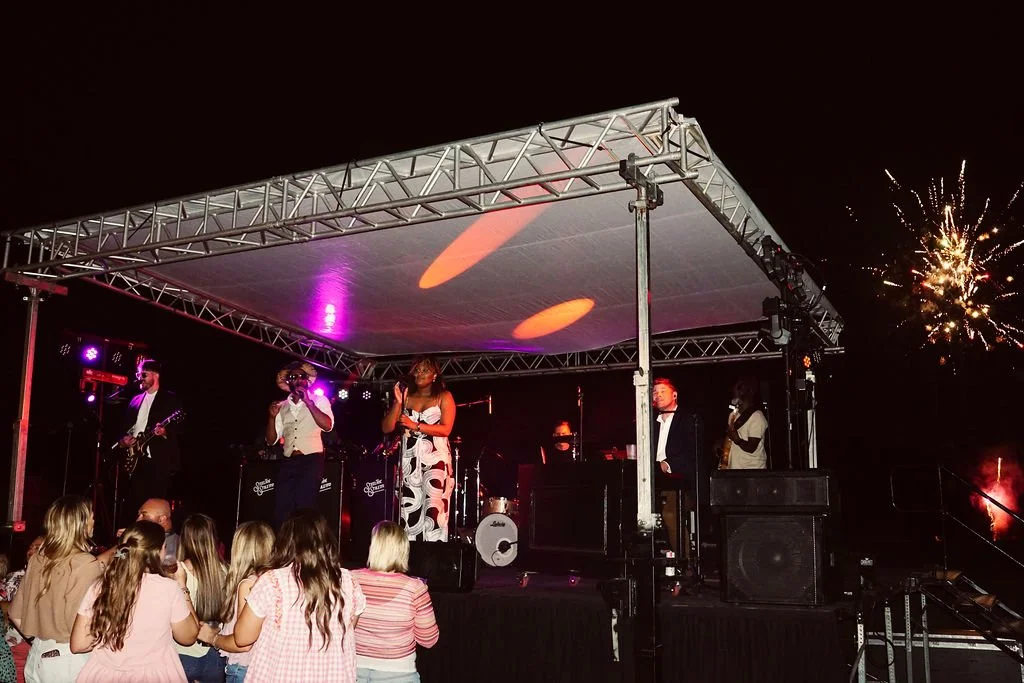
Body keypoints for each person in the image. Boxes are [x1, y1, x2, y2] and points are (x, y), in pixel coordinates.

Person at [232, 509, 366, 683]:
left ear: (287, 542)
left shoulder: (272, 582)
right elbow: (348, 628)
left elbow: (242, 638)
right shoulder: (349, 582)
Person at [69, 520, 200, 682]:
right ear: (157, 551)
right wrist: (182, 585)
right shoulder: (168, 588)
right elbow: (187, 637)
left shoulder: (100, 587)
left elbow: (78, 644)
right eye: (164, 546)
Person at [9, 496, 103, 682]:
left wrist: (40, 641)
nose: (94, 521)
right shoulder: (85, 564)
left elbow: (15, 614)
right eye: (91, 516)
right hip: (69, 661)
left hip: (37, 657)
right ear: (80, 522)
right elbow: (82, 628)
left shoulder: (38, 558)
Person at [381, 357, 456, 542]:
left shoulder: (444, 396)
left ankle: (435, 556)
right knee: (410, 509)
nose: (420, 373)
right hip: (410, 460)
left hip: (435, 460)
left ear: (435, 375)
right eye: (417, 370)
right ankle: (412, 555)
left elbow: (446, 429)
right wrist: (398, 403)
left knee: (434, 509)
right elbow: (386, 427)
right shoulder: (407, 397)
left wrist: (415, 426)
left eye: (425, 370)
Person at [353, 521, 438, 683]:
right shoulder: (415, 588)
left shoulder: (350, 579)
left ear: (374, 546)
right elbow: (429, 640)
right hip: (399, 673)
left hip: (353, 671)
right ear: (403, 549)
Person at [197, 521, 276, 683]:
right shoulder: (274, 582)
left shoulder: (247, 584)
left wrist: (212, 637)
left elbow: (243, 643)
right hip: (265, 668)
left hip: (244, 668)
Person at [267, 361, 335, 530]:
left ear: (307, 380)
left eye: (301, 376)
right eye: (293, 377)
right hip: (289, 459)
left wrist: (309, 403)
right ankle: (286, 549)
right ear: (288, 382)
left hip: (311, 459)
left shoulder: (319, 400)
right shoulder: (282, 407)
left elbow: (327, 425)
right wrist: (271, 417)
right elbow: (270, 440)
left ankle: (305, 549)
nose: (298, 379)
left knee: (305, 507)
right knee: (282, 509)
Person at [118, 359, 183, 523]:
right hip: (136, 459)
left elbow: (182, 428)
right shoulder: (135, 400)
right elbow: (126, 428)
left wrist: (165, 431)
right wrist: (124, 440)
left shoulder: (169, 399)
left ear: (156, 375)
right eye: (138, 374)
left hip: (157, 460)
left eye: (143, 374)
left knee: (156, 504)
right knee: (135, 504)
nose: (140, 378)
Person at [174, 514, 227, 682]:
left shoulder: (177, 572)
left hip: (182, 654)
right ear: (212, 538)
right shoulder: (227, 571)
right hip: (215, 654)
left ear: (185, 539)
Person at [651, 378, 697, 561]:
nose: (658, 395)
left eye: (662, 390)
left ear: (674, 394)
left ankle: (684, 561)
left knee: (670, 512)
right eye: (655, 391)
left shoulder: (687, 419)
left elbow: (692, 451)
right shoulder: (649, 421)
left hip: (681, 482)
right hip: (654, 479)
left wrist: (667, 464)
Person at [98, 498, 179, 569]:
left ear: (162, 519)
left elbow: (103, 563)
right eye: (139, 515)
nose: (138, 520)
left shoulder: (170, 547)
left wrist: (129, 542)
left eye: (144, 515)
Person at [722, 377, 769, 470]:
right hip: (734, 470)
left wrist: (737, 439)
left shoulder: (757, 417)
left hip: (752, 472)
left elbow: (751, 447)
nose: (733, 392)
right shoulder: (733, 415)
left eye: (737, 389)